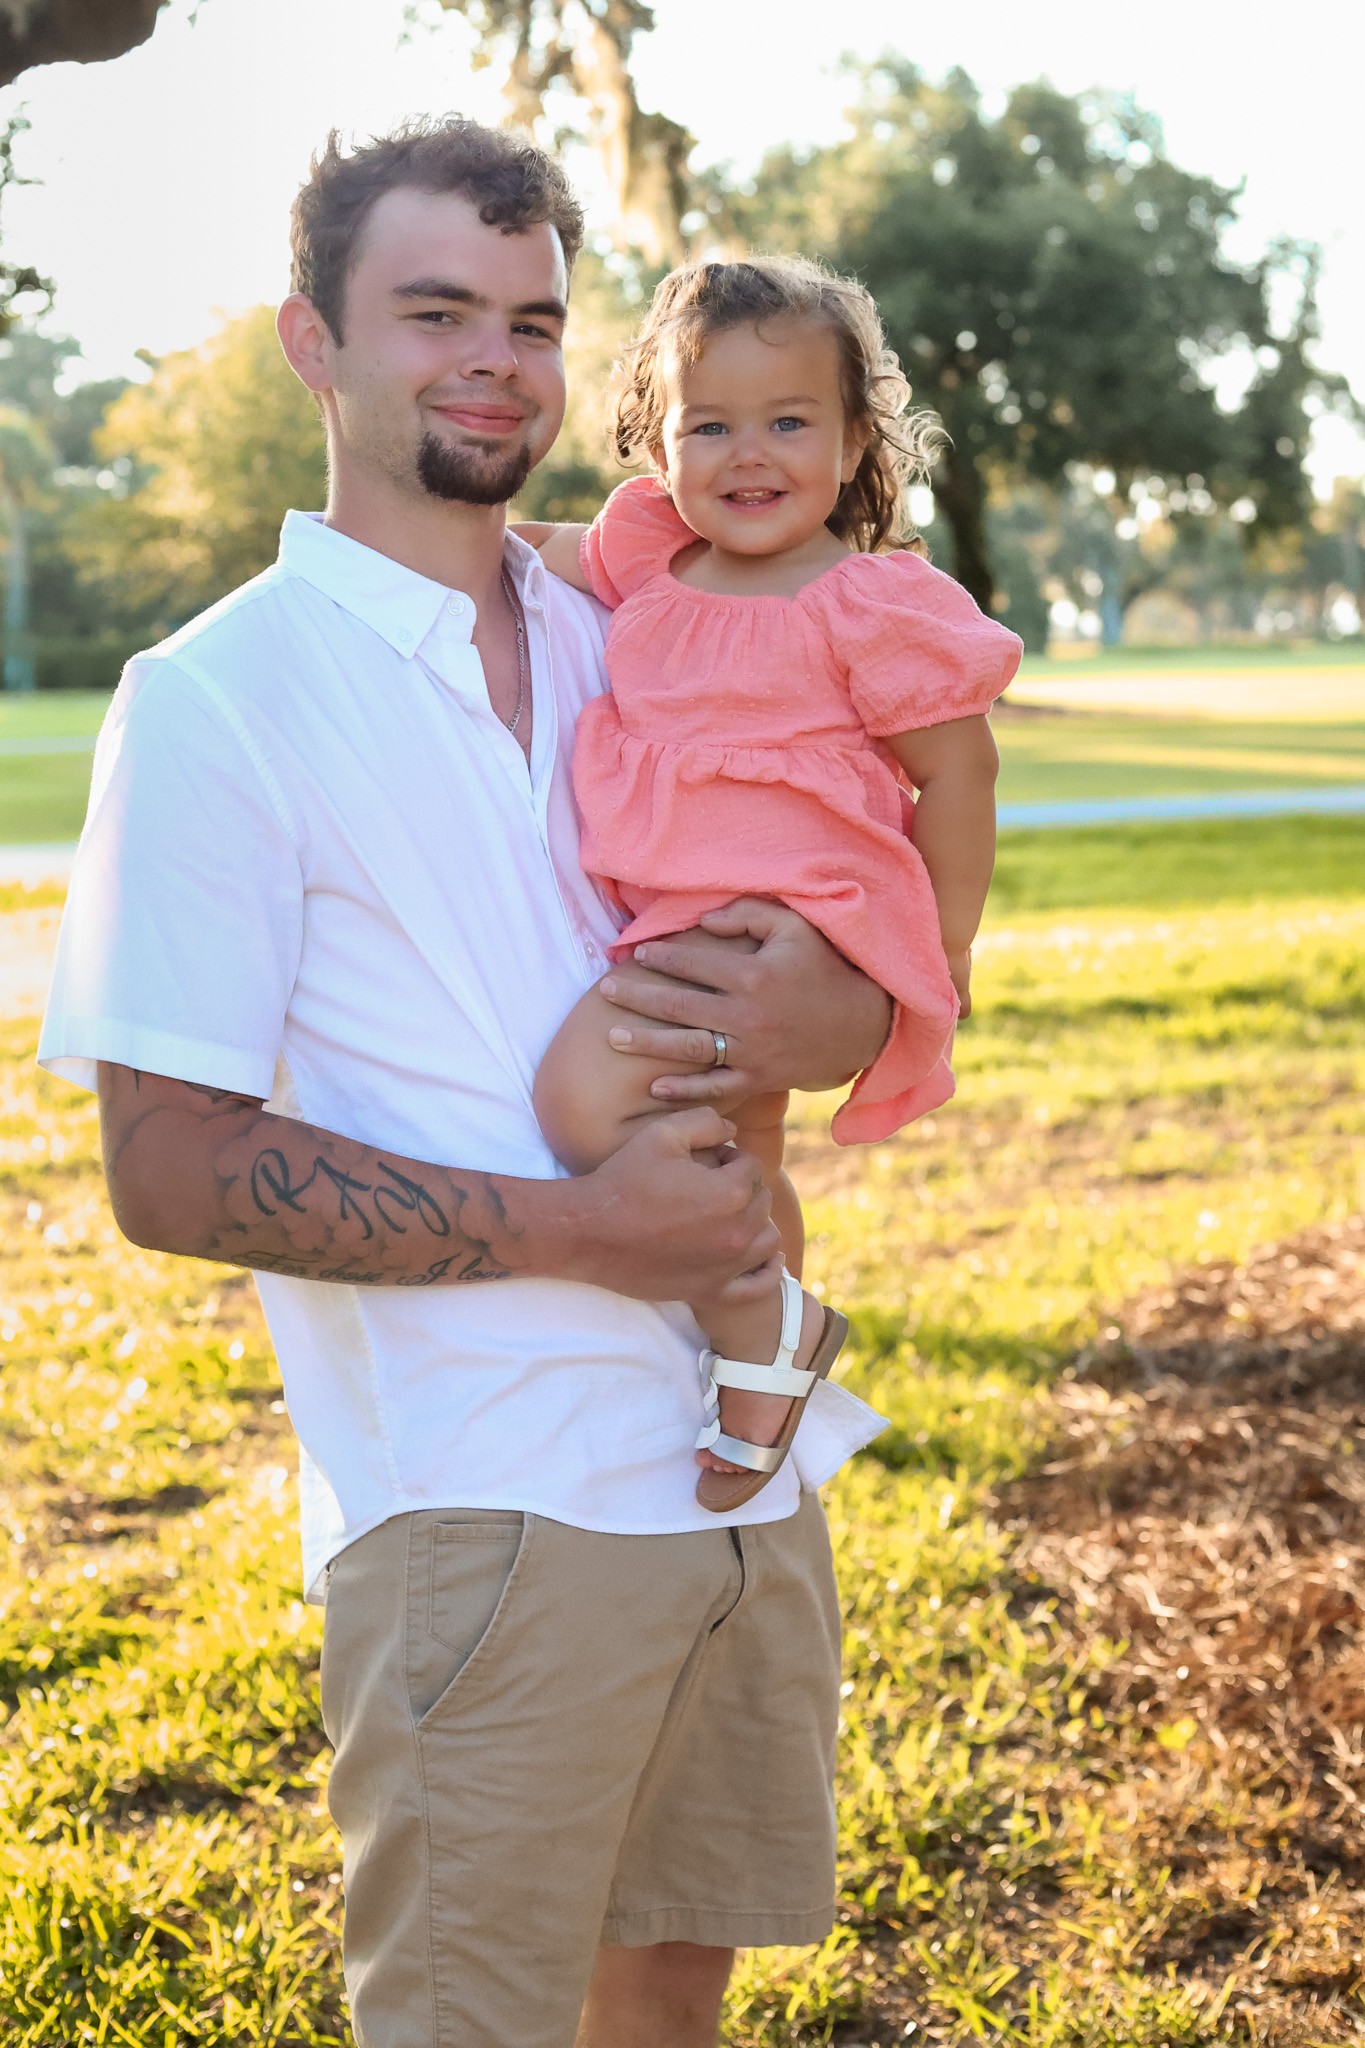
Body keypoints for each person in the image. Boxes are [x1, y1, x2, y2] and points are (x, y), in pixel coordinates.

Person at [37, 119, 896, 2048]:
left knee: (671, 1995)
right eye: (436, 313)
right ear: (314, 341)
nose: (494, 361)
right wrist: (590, 1228)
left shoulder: (643, 629)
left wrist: (836, 1016)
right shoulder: (217, 697)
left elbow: (839, 906)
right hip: (484, 1513)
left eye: (531, 320)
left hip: (736, 1468)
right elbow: (168, 1166)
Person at [521, 255, 1021, 1513]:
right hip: (678, 913)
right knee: (744, 1147)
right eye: (710, 426)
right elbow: (528, 550)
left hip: (786, 914)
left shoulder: (869, 599)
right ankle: (763, 1356)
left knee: (582, 1100)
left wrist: (943, 949)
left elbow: (959, 775)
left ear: (854, 442)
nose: (749, 454)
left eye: (790, 422)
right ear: (659, 444)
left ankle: (761, 1319)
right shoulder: (650, 556)